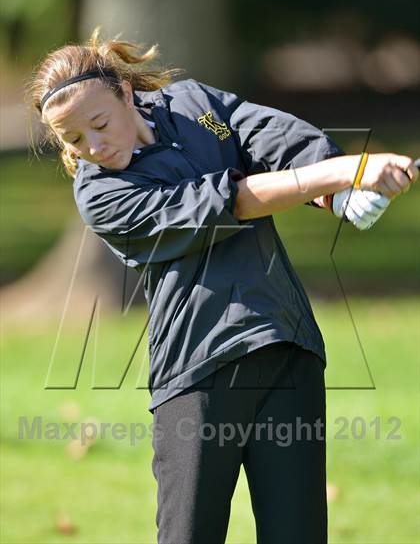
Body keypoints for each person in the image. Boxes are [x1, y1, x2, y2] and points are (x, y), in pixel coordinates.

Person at [28, 29, 418, 544]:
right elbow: (228, 202)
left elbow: (261, 134)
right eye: (73, 140)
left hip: (284, 343)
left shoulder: (192, 106)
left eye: (98, 124)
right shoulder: (101, 194)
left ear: (126, 92)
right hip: (198, 374)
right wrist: (339, 174)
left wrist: (335, 194)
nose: (93, 147)